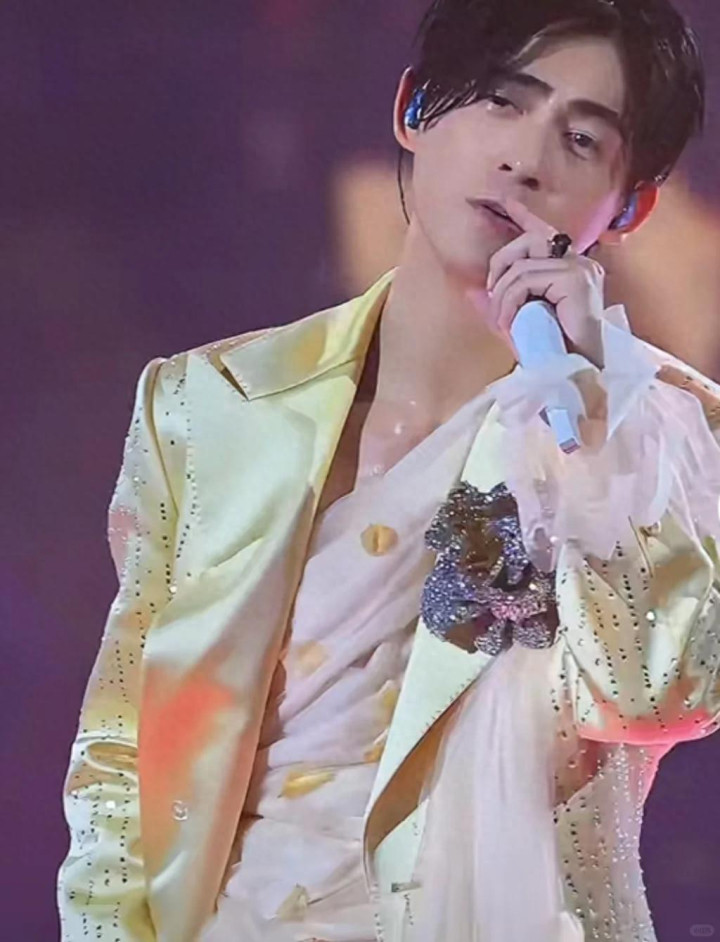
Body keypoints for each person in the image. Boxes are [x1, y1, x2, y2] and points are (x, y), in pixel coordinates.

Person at [57, 1, 720, 940]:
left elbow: (659, 692)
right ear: (412, 109)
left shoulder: (663, 433)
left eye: (580, 139)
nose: (524, 159)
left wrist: (593, 424)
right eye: (500, 101)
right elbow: (124, 751)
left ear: (630, 208)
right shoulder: (209, 406)